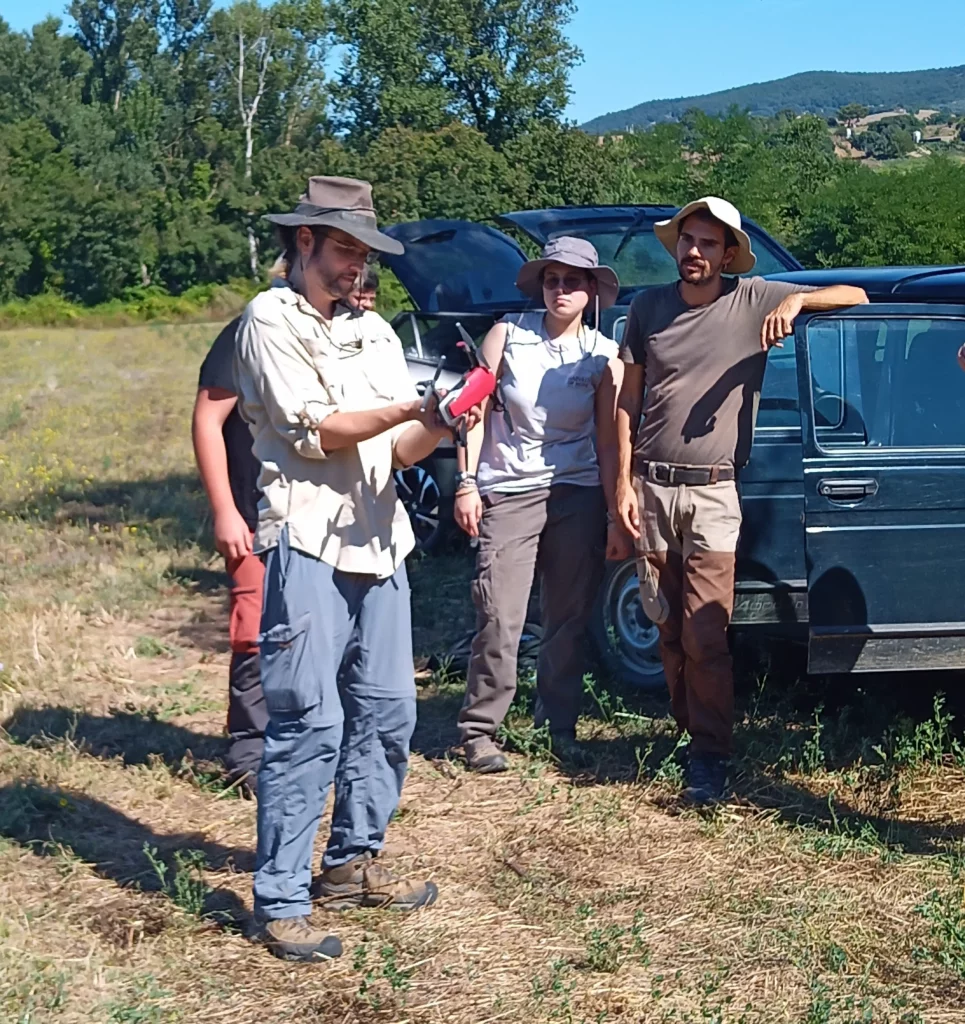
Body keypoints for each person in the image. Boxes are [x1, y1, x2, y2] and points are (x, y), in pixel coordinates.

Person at [234, 175, 480, 964]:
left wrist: (438, 421)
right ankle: (279, 898)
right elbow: (327, 432)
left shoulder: (373, 334)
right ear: (303, 240)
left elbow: (395, 448)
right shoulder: (268, 320)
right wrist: (412, 408)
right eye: (344, 249)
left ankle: (349, 863)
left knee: (386, 713)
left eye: (366, 254)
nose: (356, 269)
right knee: (310, 720)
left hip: (382, 541)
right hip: (305, 540)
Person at [611, 196, 868, 806]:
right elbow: (626, 403)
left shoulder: (752, 297)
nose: (693, 252)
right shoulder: (647, 307)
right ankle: (688, 733)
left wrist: (798, 300)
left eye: (707, 243)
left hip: (714, 493)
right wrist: (620, 485)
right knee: (666, 627)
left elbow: (856, 297)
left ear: (729, 254)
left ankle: (710, 757)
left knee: (706, 634)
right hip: (650, 485)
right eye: (686, 240)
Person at [453, 237, 622, 773]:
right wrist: (466, 483)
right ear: (540, 285)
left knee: (568, 617)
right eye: (552, 279)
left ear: (591, 289)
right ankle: (480, 731)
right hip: (509, 488)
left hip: (577, 491)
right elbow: (470, 410)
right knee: (500, 613)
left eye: (573, 281)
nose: (561, 289)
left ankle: (558, 726)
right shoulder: (507, 334)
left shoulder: (603, 353)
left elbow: (609, 436)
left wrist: (617, 510)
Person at [192, 317, 267, 796]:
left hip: (321, 518)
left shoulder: (342, 328)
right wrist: (225, 511)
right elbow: (207, 418)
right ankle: (250, 752)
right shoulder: (247, 332)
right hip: (252, 514)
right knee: (255, 632)